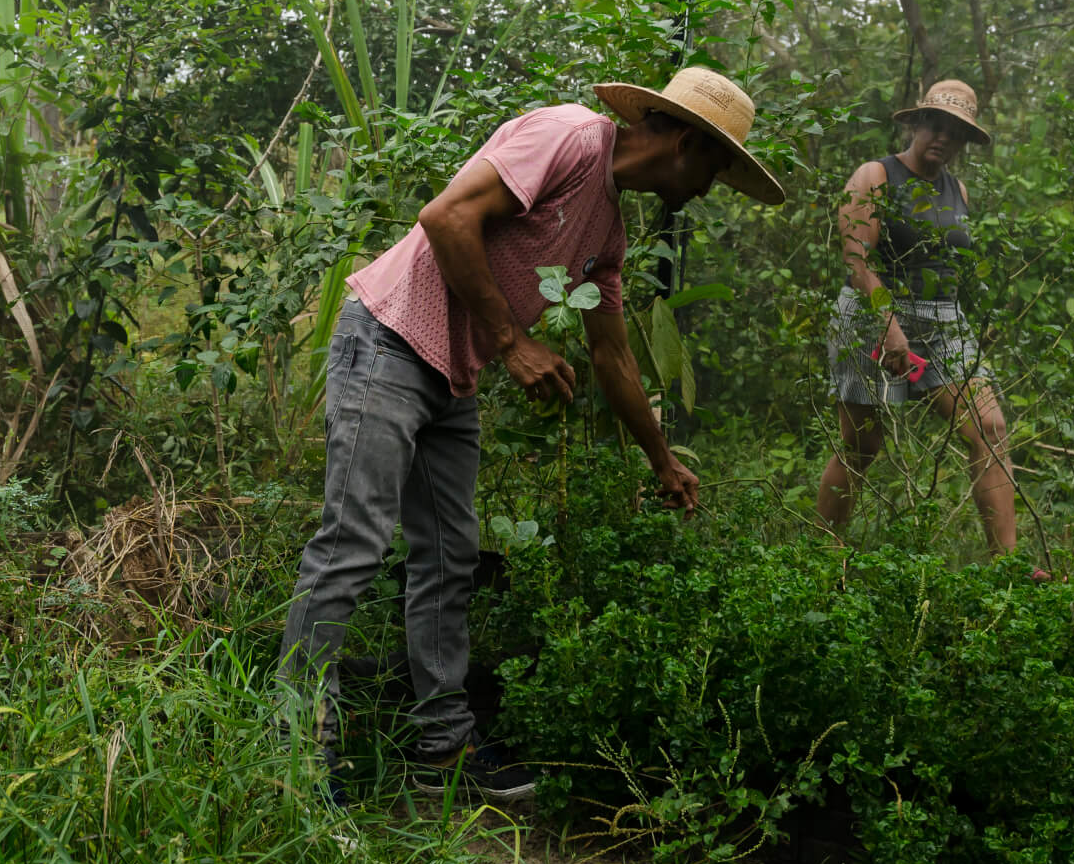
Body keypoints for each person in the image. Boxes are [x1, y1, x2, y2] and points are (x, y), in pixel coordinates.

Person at [280, 68, 787, 805]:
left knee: (450, 557)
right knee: (353, 542)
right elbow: (446, 216)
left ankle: (440, 749)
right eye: (716, 169)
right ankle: (296, 747)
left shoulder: (607, 232)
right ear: (684, 145)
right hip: (388, 342)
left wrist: (662, 460)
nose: (711, 189)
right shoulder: (570, 136)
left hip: (451, 376)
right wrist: (512, 341)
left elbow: (612, 355)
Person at [814, 79, 1022, 561]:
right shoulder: (877, 175)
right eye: (936, 125)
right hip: (873, 314)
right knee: (862, 443)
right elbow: (857, 259)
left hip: (943, 319)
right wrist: (889, 327)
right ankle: (823, 552)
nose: (943, 138)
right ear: (917, 123)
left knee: (989, 427)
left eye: (956, 131)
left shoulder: (957, 189)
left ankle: (1008, 566)